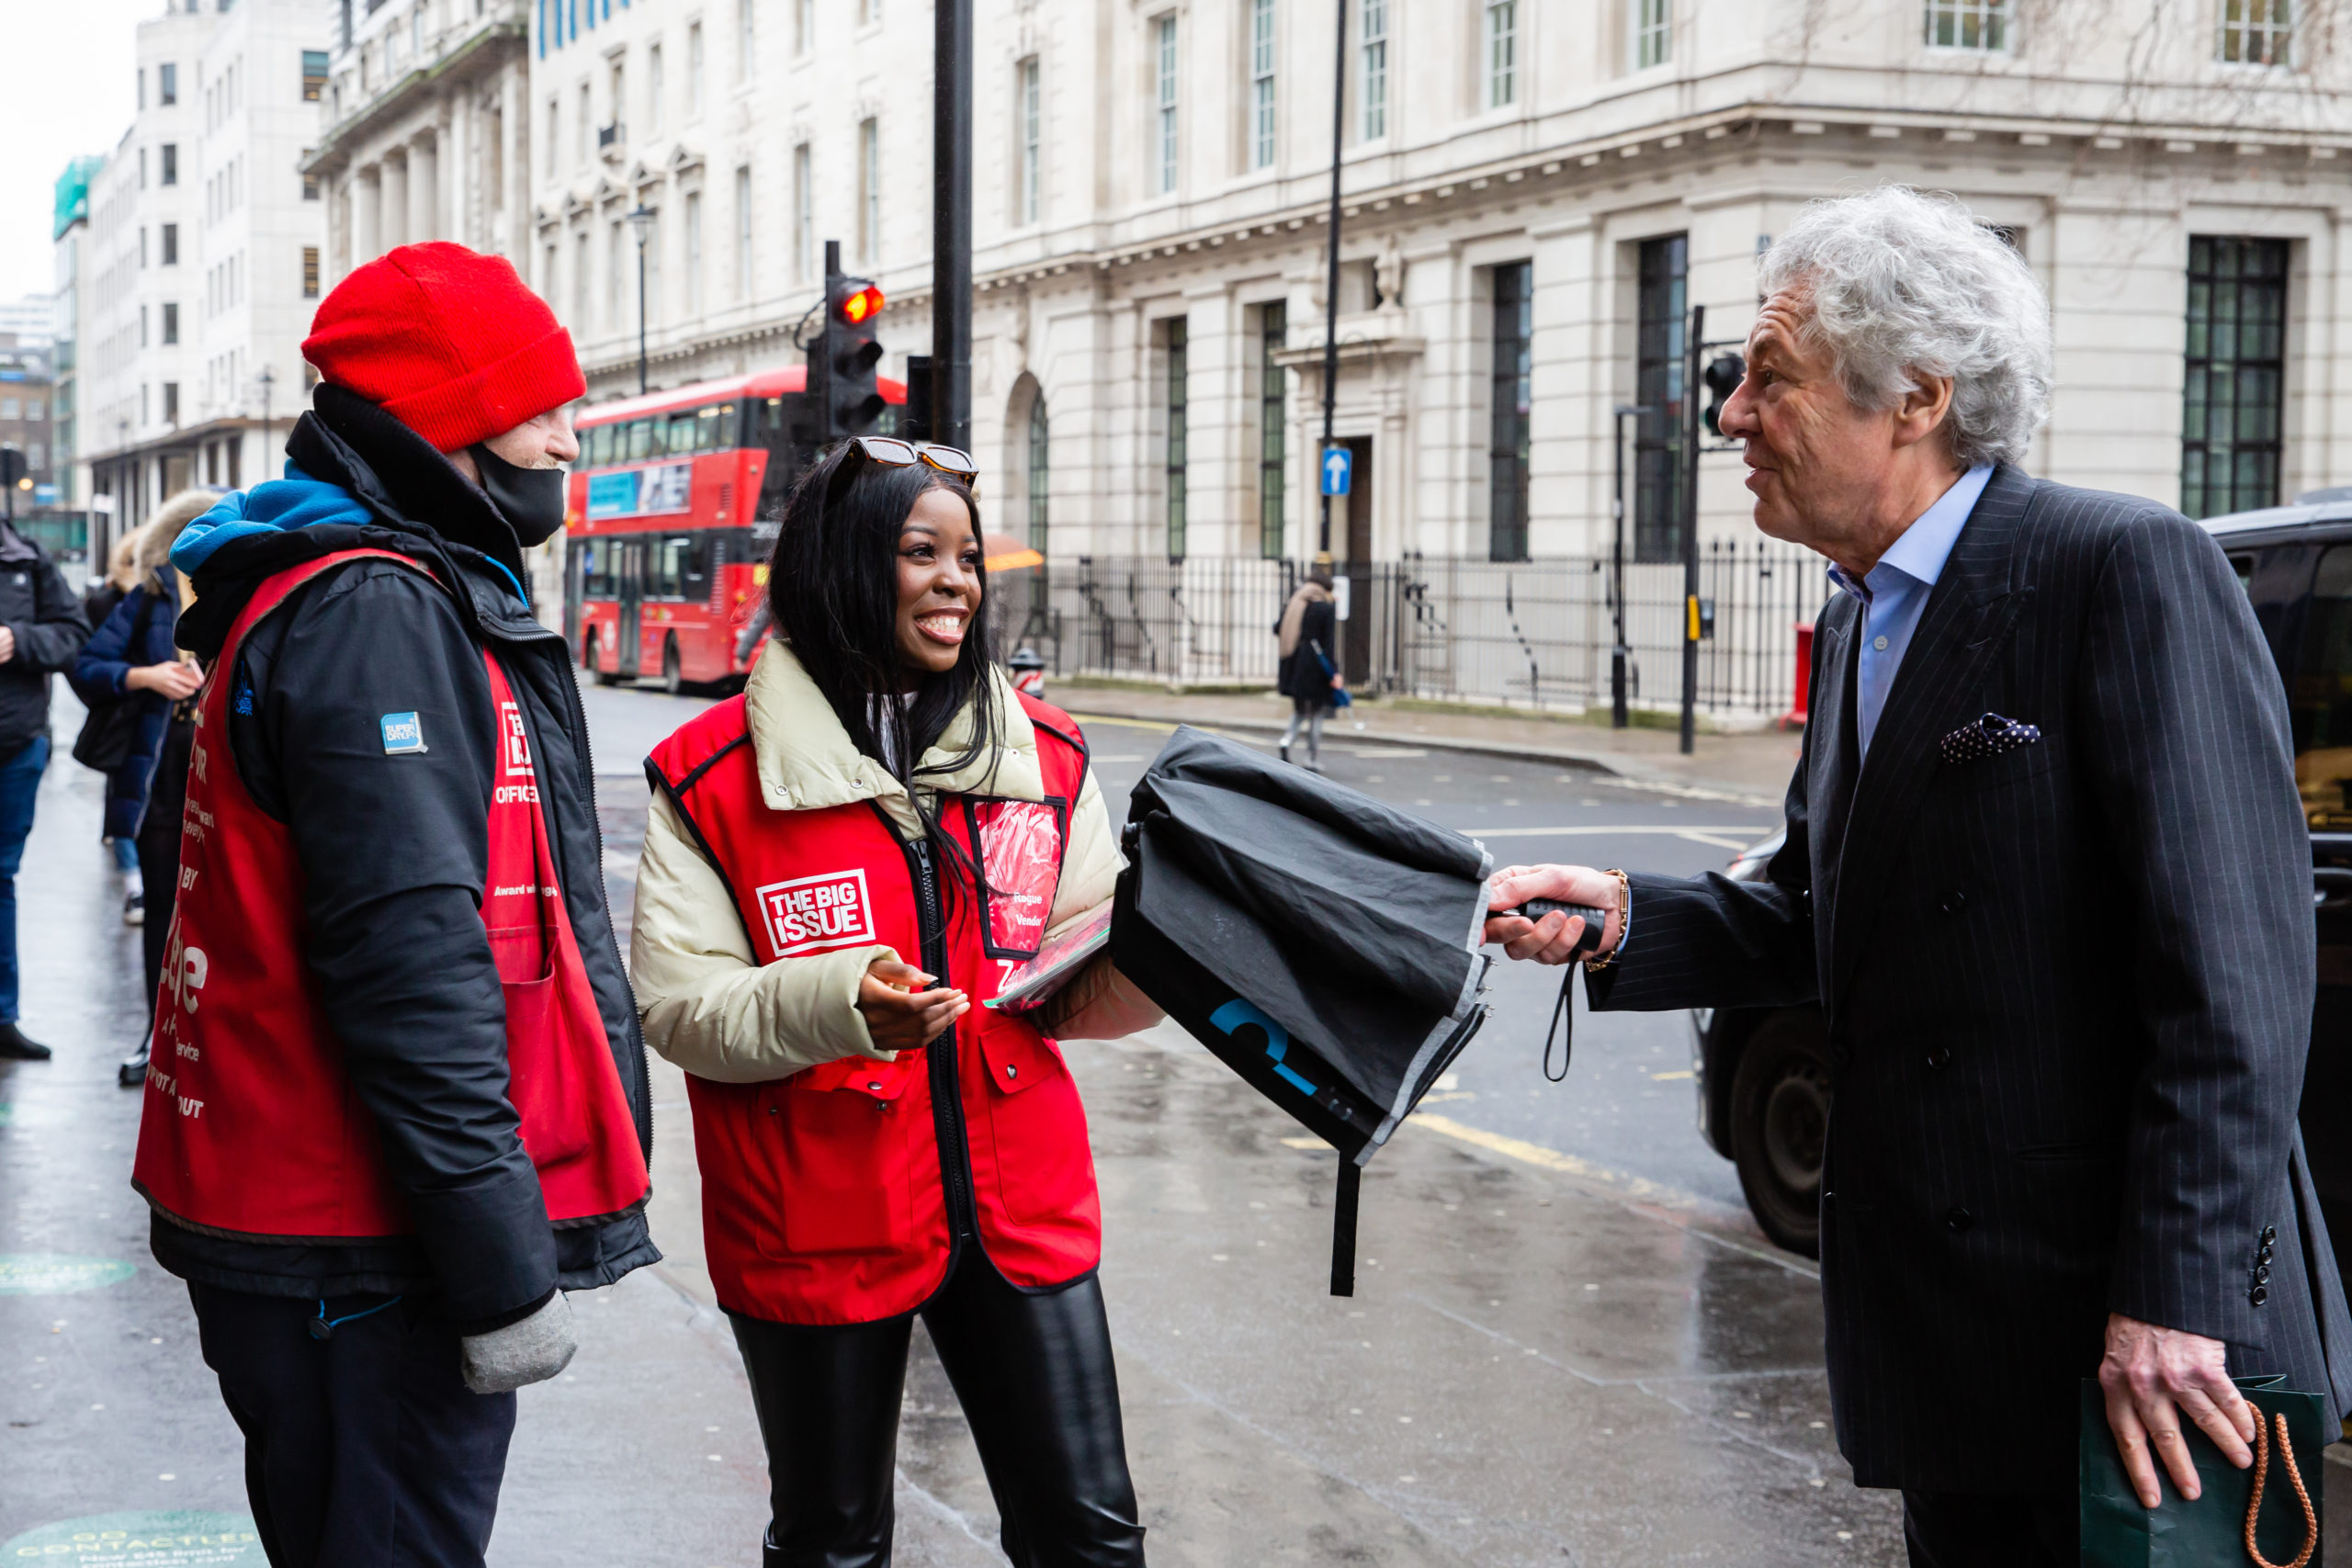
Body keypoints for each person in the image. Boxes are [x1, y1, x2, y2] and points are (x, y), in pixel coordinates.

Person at [1485, 186, 2352, 1568]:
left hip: (2133, 1345)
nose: (1730, 417)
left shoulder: (2122, 569)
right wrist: (1627, 920)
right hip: (1951, 1337)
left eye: (1771, 378)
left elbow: (2234, 991)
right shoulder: (1861, 609)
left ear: (1917, 398)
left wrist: (2174, 1303)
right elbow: (1833, 919)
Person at [130, 242, 657, 1568]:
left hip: (323, 1225)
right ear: (452, 420)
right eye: (543, 406)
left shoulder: (345, 584)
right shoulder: (378, 607)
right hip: (360, 1242)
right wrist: (499, 1265)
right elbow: (410, 960)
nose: (568, 432)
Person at [634, 435, 1161, 1568]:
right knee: (834, 1547)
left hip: (1021, 1213)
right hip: (813, 1218)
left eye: (968, 557)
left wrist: (1163, 958)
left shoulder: (1049, 757)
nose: (958, 581)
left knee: (1091, 1537)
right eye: (921, 552)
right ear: (842, 566)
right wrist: (841, 1003)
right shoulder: (708, 777)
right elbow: (682, 1007)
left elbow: (1075, 992)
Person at [71, 498, 207, 1082]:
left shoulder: (247, 587)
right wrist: (145, 676)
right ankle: (158, 1034)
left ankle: (214, 1044)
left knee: (225, 915)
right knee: (161, 911)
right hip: (158, 776)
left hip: (221, 775)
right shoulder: (149, 593)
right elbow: (86, 666)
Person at [0, 505, 92, 1061]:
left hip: (15, 746)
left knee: (0, 878)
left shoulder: (27, 559)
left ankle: (3, 1015)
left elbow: (74, 636)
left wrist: (17, 640)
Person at [1273, 558, 1342, 769]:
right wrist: (1335, 673)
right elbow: (1328, 644)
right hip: (1315, 666)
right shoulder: (1325, 609)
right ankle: (1311, 758)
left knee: (1300, 710)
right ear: (1324, 589)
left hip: (1294, 662)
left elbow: (1277, 628)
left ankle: (1286, 741)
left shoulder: (1295, 602)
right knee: (1317, 712)